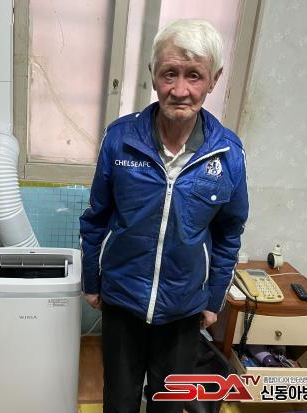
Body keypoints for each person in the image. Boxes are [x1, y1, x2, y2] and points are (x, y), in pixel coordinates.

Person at [79, 18, 249, 413]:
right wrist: (92, 280)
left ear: (214, 80)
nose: (180, 90)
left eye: (194, 76)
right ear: (152, 73)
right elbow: (96, 217)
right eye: (169, 73)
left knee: (168, 403)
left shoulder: (228, 154)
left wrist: (214, 299)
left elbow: (229, 233)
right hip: (123, 298)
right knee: (119, 402)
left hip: (185, 308)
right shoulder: (120, 138)